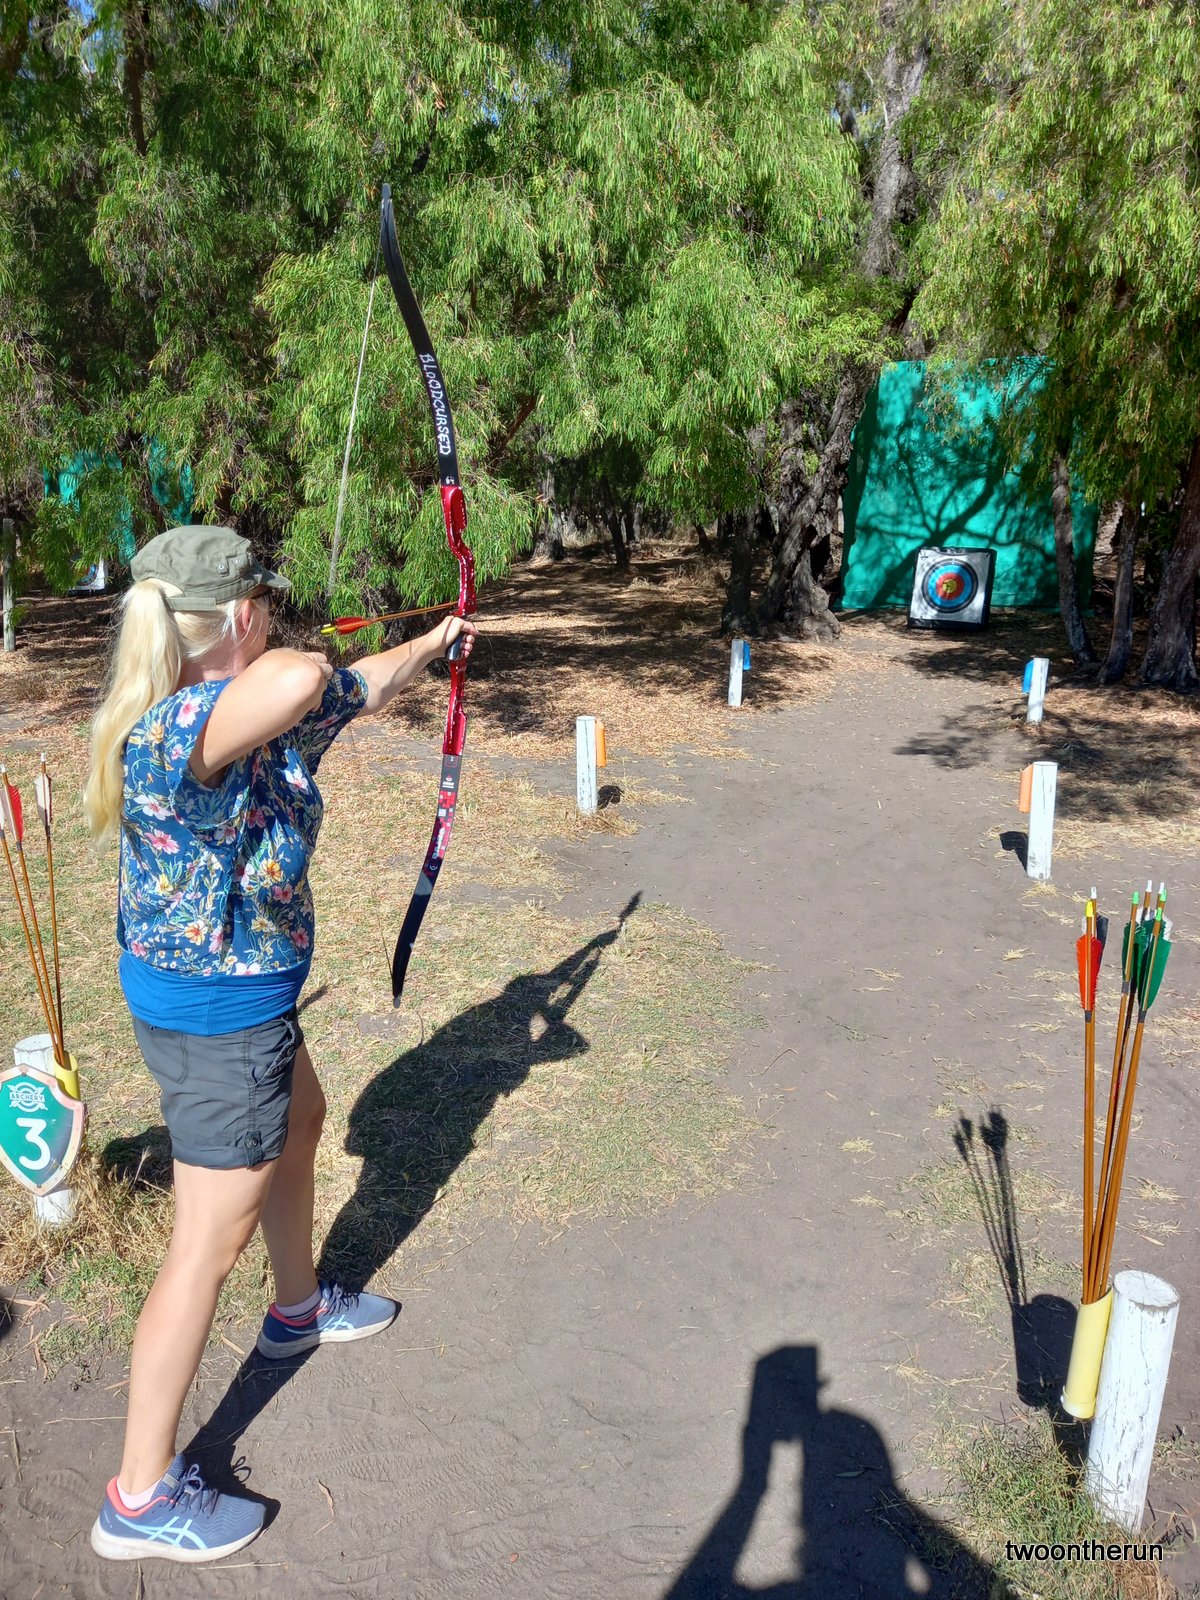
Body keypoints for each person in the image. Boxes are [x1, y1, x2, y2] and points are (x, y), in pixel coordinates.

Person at [81, 525, 476, 1564]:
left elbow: (355, 683)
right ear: (241, 616)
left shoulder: (258, 706)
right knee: (204, 1245)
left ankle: (296, 1308)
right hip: (217, 1019)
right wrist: (289, 649)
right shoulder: (178, 730)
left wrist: (436, 638)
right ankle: (139, 1495)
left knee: (303, 1117)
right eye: (259, 601)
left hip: (238, 1002)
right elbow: (309, 675)